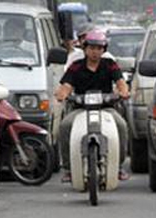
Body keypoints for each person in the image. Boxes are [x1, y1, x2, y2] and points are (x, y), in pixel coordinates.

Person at [55, 29, 130, 182]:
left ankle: (119, 166)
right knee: (64, 126)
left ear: (103, 50)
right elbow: (66, 85)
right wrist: (62, 94)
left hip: (106, 108)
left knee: (121, 125)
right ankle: (69, 169)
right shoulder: (76, 66)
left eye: (99, 48)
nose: (95, 52)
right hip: (80, 109)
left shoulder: (110, 64)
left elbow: (121, 83)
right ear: (85, 48)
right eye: (92, 48)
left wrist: (123, 92)